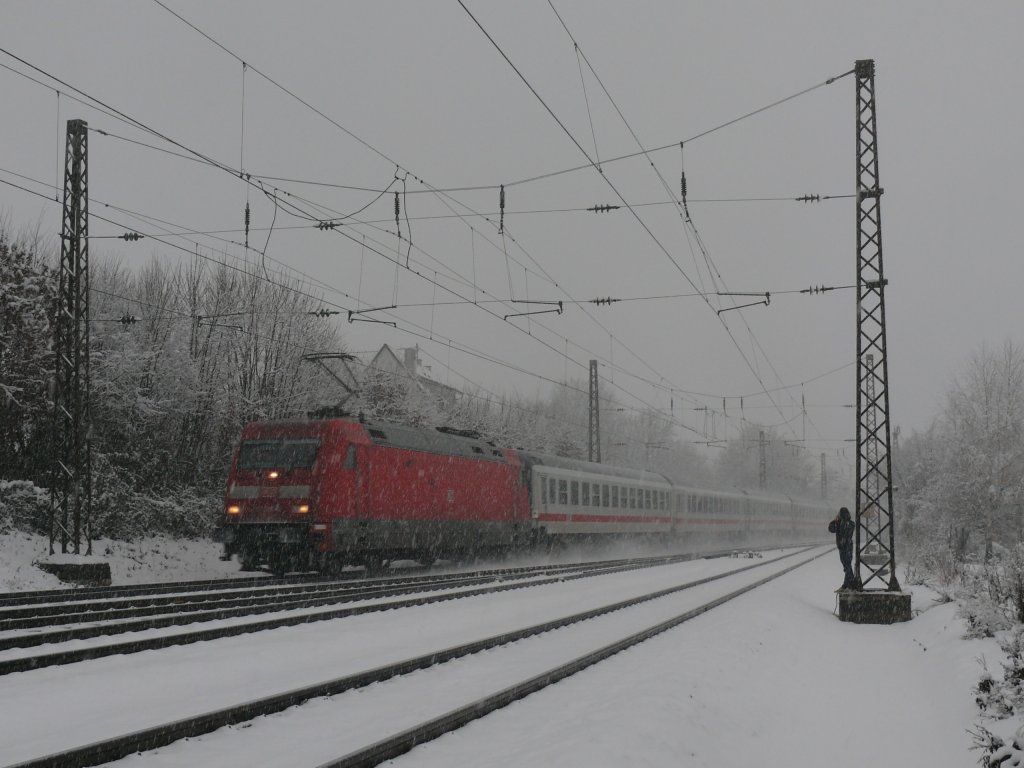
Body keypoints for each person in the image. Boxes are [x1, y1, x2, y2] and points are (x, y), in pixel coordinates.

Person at [828, 507, 857, 589]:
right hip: (846, 546)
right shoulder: (851, 523)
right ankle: (847, 583)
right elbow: (831, 529)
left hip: (844, 546)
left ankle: (851, 582)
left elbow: (833, 529)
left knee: (846, 565)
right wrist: (835, 521)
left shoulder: (844, 523)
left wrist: (836, 521)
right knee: (847, 565)